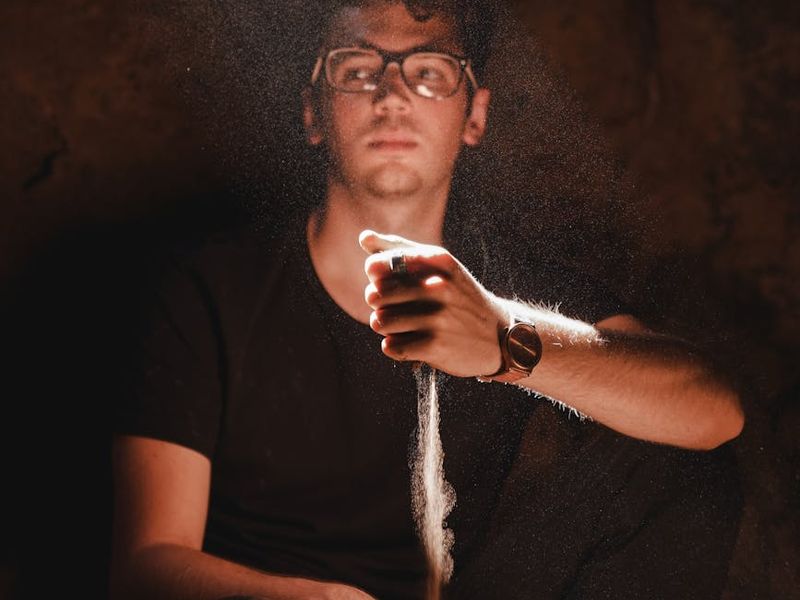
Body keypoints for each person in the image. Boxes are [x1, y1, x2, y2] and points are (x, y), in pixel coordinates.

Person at [110, 1, 745, 599]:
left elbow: (714, 410)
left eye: (430, 71)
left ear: (474, 115)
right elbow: (146, 565)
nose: (391, 95)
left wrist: (506, 340)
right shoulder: (208, 289)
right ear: (312, 112)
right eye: (356, 70)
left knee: (685, 462)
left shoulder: (511, 287)